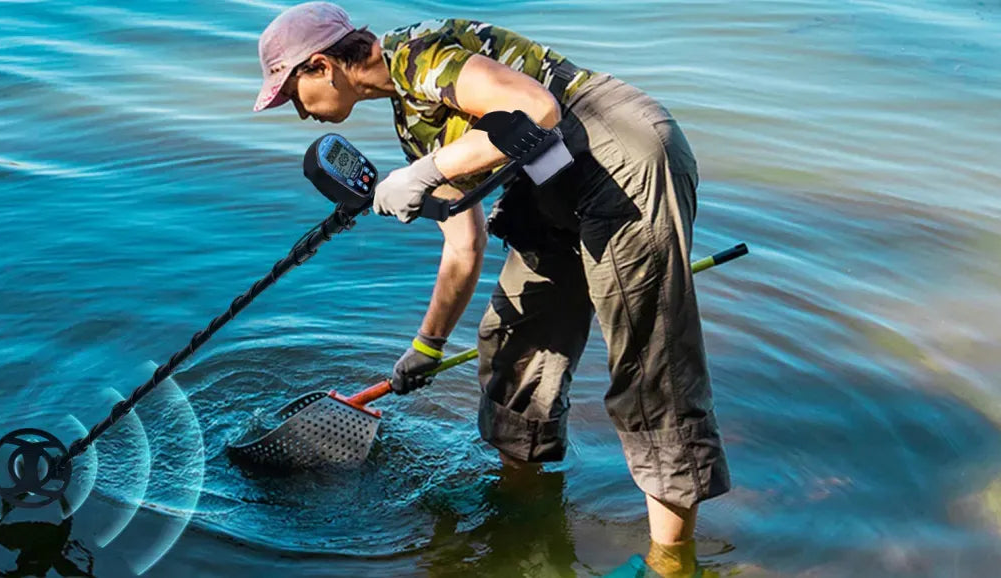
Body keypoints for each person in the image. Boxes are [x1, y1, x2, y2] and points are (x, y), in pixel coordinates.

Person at [253, 3, 730, 574]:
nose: (298, 112)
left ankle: (672, 560)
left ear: (322, 66)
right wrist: (426, 346)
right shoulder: (413, 121)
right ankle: (522, 497)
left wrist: (425, 173)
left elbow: (537, 109)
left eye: (292, 94)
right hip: (552, 191)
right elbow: (464, 243)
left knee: (649, 365)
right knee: (512, 339)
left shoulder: (419, 54)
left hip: (621, 161)